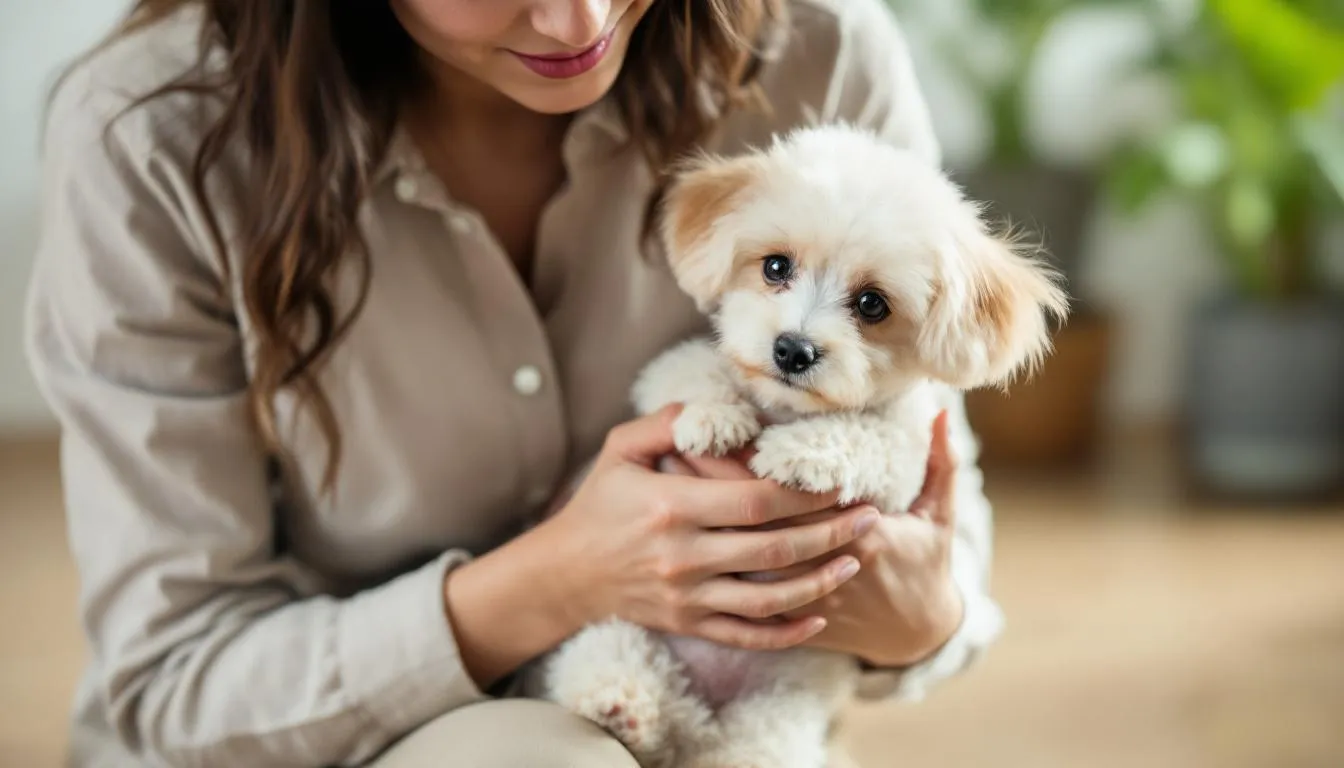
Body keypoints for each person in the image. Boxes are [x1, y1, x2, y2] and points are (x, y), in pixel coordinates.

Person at [25, 0, 1007, 765]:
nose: (580, 23)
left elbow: (941, 544)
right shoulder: (149, 139)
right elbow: (174, 685)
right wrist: (558, 578)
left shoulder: (819, 52)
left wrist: (923, 616)